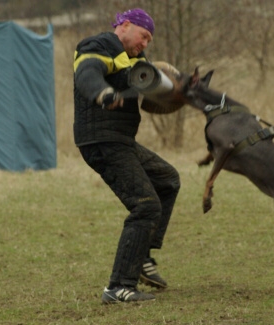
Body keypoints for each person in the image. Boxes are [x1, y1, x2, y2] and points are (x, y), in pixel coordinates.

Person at [73, 8, 181, 303]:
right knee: (146, 206)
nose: (145, 43)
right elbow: (87, 73)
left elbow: (154, 98)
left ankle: (143, 256)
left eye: (149, 40)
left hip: (121, 141)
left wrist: (182, 91)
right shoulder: (100, 45)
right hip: (101, 141)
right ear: (126, 25)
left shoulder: (137, 61)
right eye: (144, 36)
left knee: (168, 180)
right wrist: (103, 94)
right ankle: (119, 287)